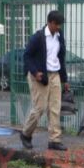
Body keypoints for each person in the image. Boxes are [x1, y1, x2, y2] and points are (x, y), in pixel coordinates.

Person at [20, 11, 69, 151]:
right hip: (40, 75)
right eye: (56, 24)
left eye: (60, 25)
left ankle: (54, 140)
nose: (58, 27)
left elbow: (61, 57)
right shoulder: (38, 37)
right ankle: (26, 134)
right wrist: (35, 73)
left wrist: (64, 79)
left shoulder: (59, 36)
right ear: (49, 22)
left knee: (55, 108)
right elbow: (27, 56)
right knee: (39, 108)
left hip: (55, 75)